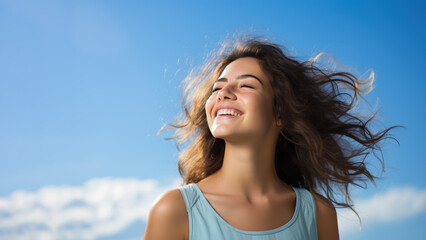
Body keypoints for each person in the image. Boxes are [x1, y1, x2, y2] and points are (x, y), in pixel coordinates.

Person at [143, 37, 398, 240]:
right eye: (217, 88)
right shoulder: (174, 210)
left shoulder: (319, 214)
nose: (224, 93)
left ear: (280, 113)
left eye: (247, 85)